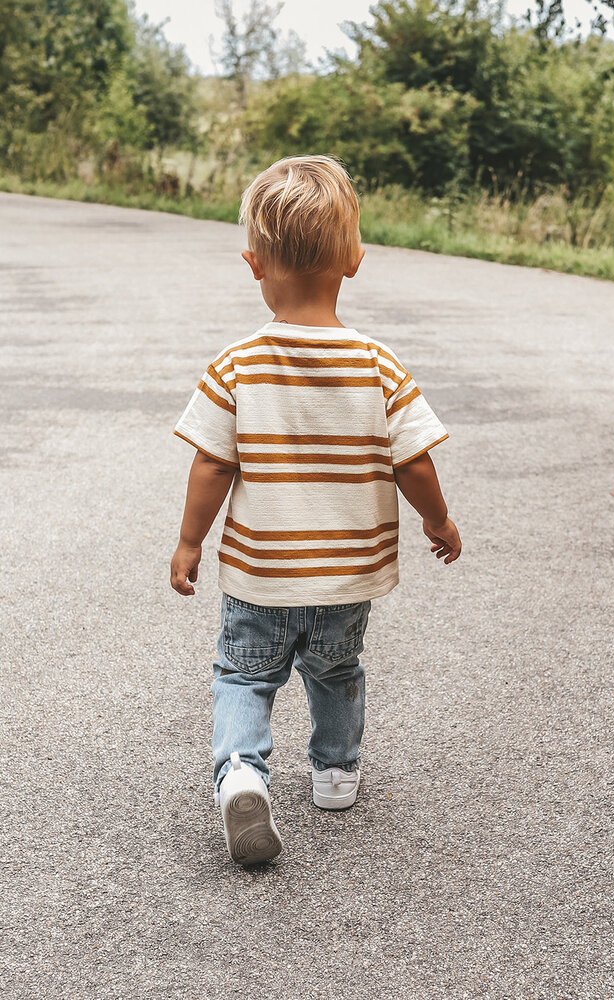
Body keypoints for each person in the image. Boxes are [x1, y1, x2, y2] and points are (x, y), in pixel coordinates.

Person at [170, 155, 461, 866]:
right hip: (344, 578)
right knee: (337, 670)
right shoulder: (378, 365)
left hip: (260, 576)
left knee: (243, 677)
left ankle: (241, 771)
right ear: (355, 260)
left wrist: (188, 543)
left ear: (253, 264)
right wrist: (437, 521)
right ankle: (334, 771)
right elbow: (413, 461)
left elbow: (212, 461)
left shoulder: (237, 364)